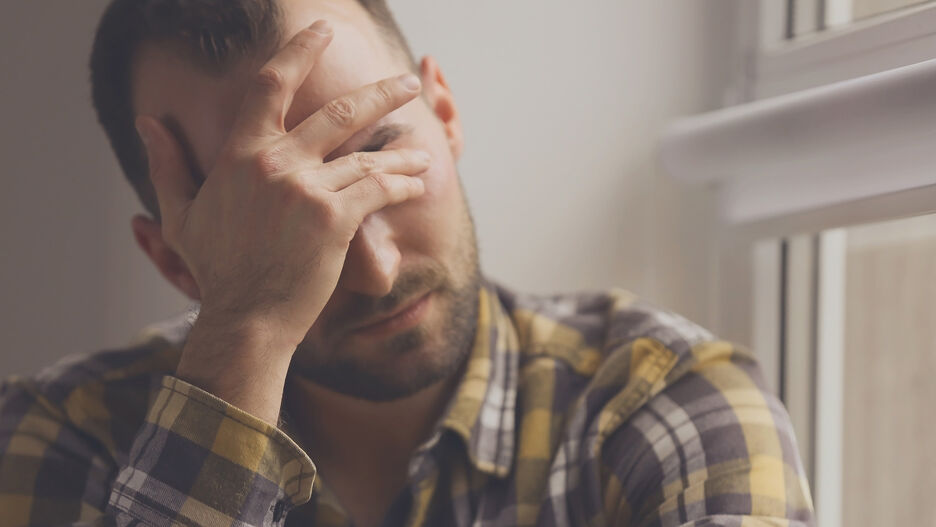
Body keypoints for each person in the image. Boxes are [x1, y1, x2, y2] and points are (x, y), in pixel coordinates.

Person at [0, 0, 815, 526]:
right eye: (270, 217)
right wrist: (245, 330)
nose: (376, 268)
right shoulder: (64, 432)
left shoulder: (659, 401)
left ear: (446, 112)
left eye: (381, 156)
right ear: (175, 258)